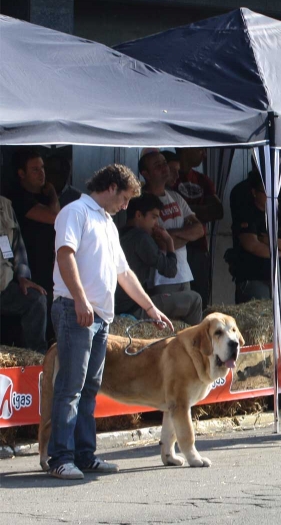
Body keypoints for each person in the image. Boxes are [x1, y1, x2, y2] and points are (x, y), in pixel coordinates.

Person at [48, 164, 173, 480]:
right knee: (72, 387)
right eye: (126, 198)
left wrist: (150, 307)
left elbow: (124, 273)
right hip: (75, 310)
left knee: (89, 387)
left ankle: (84, 454)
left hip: (99, 316)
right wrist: (79, 298)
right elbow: (65, 255)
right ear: (112, 187)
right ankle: (61, 457)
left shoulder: (106, 222)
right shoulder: (75, 212)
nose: (126, 206)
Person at [115, 193, 203, 324]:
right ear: (139, 215)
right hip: (134, 309)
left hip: (118, 306)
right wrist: (169, 242)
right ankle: (195, 343)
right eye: (154, 217)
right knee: (195, 299)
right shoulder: (141, 237)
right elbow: (170, 270)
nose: (156, 224)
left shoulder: (118, 233)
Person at [139, 151, 204, 304]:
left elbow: (200, 229)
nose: (164, 168)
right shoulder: (143, 201)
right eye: (157, 165)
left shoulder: (175, 197)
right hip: (160, 279)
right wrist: (186, 236)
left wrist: (170, 237)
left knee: (185, 325)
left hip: (184, 273)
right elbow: (159, 243)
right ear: (146, 174)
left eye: (164, 163)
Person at [232, 171, 281, 303]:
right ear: (254, 193)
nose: (271, 197)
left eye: (274, 192)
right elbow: (252, 245)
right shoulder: (247, 212)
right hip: (254, 276)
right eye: (266, 192)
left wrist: (271, 241)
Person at [8, 148, 59, 320]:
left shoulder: (44, 198)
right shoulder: (18, 197)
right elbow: (54, 217)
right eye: (35, 169)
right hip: (29, 265)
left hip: (48, 264)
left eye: (43, 168)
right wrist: (52, 192)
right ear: (21, 173)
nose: (41, 173)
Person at [174, 147, 223, 308]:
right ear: (186, 148)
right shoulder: (171, 178)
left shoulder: (203, 179)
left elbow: (218, 210)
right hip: (173, 248)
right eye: (200, 149)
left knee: (200, 299)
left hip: (198, 248)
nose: (205, 154)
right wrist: (199, 211)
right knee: (175, 300)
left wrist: (186, 210)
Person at [0, 196, 48, 353]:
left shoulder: (5, 206)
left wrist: (22, 277)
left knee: (36, 299)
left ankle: (36, 360)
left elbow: (18, 246)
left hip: (4, 286)